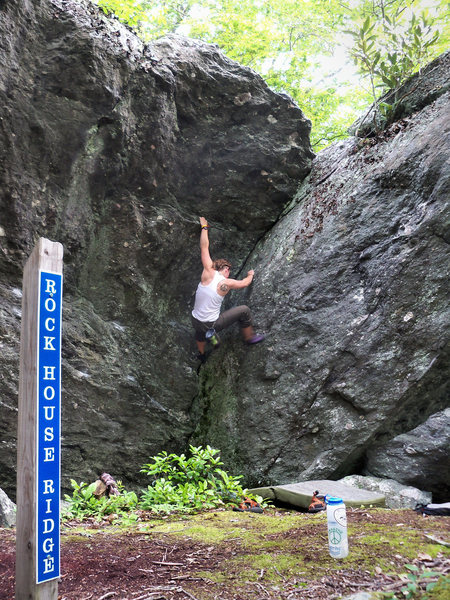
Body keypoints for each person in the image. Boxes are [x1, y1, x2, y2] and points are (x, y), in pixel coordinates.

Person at [191, 216, 265, 362]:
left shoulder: (207, 271)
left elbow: (204, 247)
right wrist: (250, 275)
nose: (229, 272)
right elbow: (244, 283)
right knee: (244, 310)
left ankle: (201, 354)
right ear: (224, 268)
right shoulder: (227, 282)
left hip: (195, 319)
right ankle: (249, 337)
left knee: (199, 331)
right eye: (228, 270)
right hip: (211, 323)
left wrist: (204, 227)